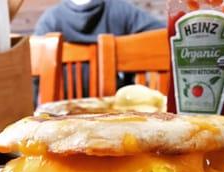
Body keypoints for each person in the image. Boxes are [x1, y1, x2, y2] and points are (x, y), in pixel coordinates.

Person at [34, 0, 165, 99]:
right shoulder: (121, 10)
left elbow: (33, 73)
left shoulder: (50, 19)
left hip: (59, 121)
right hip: (120, 119)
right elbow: (166, 37)